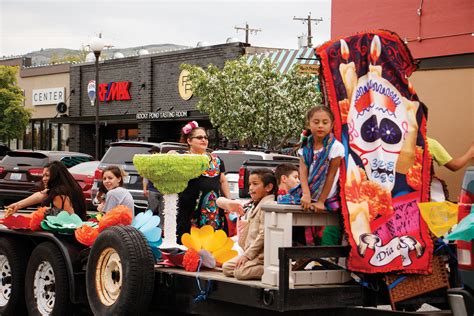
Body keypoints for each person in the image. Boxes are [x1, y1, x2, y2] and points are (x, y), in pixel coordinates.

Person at [278, 105, 345, 246]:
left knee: (328, 234)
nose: (320, 126)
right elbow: (303, 173)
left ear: (332, 125)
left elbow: (331, 176)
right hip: (308, 196)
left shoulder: (336, 147)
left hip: (329, 198)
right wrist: (306, 194)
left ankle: (325, 261)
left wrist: (321, 201)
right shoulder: (305, 147)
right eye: (316, 122)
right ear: (309, 124)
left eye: (325, 122)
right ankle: (308, 260)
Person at [176, 121, 231, 243]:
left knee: (214, 241)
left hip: (214, 208)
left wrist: (229, 201)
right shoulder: (182, 159)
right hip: (189, 208)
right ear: (189, 141)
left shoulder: (216, 160)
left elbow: (222, 180)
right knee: (189, 241)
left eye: (206, 137)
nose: (204, 140)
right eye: (199, 137)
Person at [219, 168, 276, 280]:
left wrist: (247, 255)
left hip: (261, 256)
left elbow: (262, 235)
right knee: (227, 268)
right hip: (252, 254)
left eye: (255, 184)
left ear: (269, 187)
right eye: (250, 184)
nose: (250, 188)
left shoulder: (268, 205)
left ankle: (271, 270)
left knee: (241, 272)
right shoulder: (256, 203)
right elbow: (219, 201)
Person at [5, 161, 87, 220]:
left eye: (47, 176)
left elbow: (70, 218)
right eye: (43, 175)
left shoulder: (59, 193)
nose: (44, 179)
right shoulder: (63, 188)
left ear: (56, 176)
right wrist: (17, 205)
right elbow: (40, 195)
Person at [143, 146, 165, 228]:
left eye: (154, 152)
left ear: (159, 153)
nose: (152, 154)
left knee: (162, 211)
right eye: (151, 153)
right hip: (152, 190)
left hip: (163, 191)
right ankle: (145, 225)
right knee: (151, 209)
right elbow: (145, 177)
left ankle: (161, 228)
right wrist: (145, 189)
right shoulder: (149, 164)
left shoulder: (163, 163)